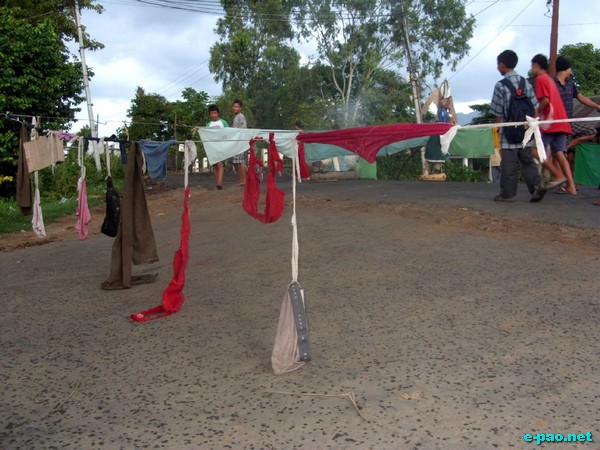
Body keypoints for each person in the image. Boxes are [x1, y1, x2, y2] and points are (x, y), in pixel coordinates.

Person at [489, 49, 546, 202]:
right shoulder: (525, 82)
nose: (497, 67)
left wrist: (499, 129)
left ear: (502, 64)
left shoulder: (500, 85)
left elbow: (497, 112)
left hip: (508, 130)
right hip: (525, 129)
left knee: (508, 164)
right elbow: (535, 106)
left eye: (498, 64)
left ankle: (507, 194)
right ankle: (537, 185)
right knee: (527, 160)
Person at [530, 54, 576, 195]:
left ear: (537, 66)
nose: (531, 69)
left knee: (534, 150)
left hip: (550, 122)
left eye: (532, 66)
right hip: (561, 121)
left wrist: (536, 113)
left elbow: (545, 100)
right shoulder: (549, 80)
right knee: (559, 154)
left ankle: (558, 175)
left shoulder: (540, 79)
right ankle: (571, 186)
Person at [553, 56, 600, 180]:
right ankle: (560, 181)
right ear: (565, 69)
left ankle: (566, 147)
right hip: (557, 124)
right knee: (558, 155)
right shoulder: (552, 83)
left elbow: (580, 97)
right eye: (569, 68)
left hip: (569, 122)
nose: (571, 71)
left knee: (591, 132)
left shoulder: (570, 83)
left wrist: (596, 106)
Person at [206, 104, 228, 190]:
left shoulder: (223, 123)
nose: (213, 115)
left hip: (221, 147)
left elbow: (228, 133)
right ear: (210, 114)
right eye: (212, 113)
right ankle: (217, 183)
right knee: (215, 165)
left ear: (218, 113)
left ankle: (219, 183)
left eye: (215, 113)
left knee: (220, 164)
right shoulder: (208, 124)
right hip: (212, 147)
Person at [231, 99, 248, 186]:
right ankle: (242, 179)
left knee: (240, 161)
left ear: (240, 108)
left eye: (237, 107)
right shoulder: (236, 117)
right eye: (234, 106)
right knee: (236, 162)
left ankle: (244, 180)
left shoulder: (241, 117)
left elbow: (243, 129)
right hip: (236, 142)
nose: (235, 108)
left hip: (241, 141)